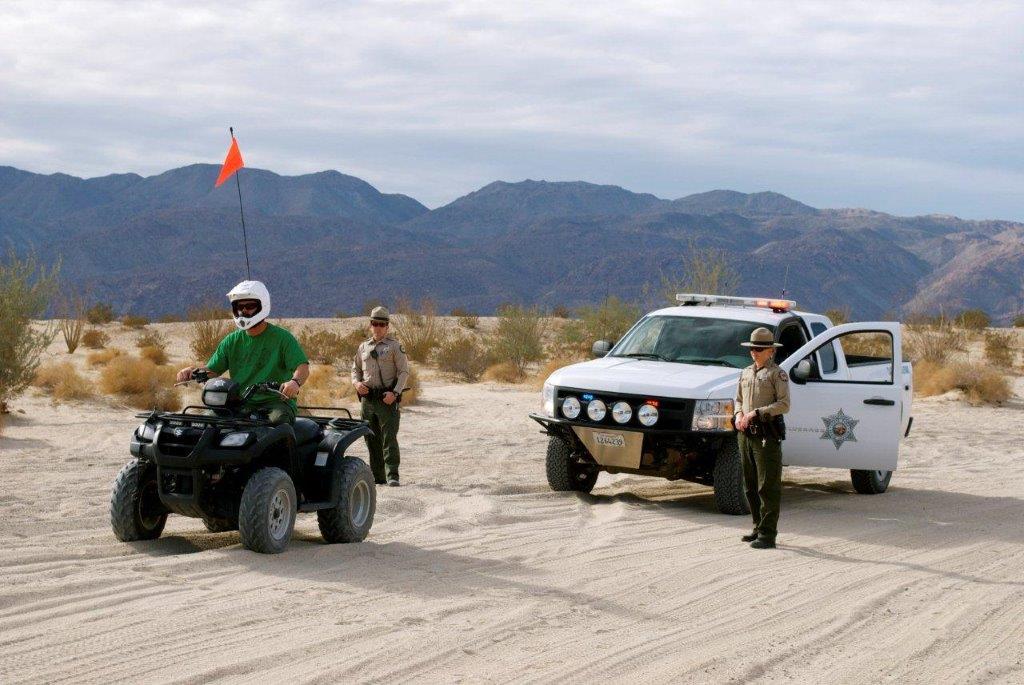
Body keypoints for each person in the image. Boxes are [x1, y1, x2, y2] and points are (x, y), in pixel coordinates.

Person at [176, 280, 309, 425]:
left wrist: (294, 382)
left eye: (250, 306)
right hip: (240, 402)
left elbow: (302, 367)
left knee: (276, 422)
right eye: (239, 307)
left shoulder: (282, 338)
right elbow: (212, 370)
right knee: (207, 422)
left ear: (262, 306)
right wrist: (192, 372)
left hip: (275, 402)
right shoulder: (231, 340)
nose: (244, 311)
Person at [733, 327, 791, 549]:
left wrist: (756, 413)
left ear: (771, 351)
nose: (754, 352)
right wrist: (739, 414)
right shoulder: (746, 372)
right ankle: (757, 527)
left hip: (766, 434)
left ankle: (768, 535)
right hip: (746, 434)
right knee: (750, 485)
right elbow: (739, 399)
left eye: (759, 349)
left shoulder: (777, 374)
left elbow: (784, 404)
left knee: (767, 486)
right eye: (752, 348)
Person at [351, 306, 409, 487]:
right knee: (371, 439)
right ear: (370, 325)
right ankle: (378, 476)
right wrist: (357, 384)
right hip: (368, 400)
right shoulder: (363, 347)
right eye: (374, 324)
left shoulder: (394, 347)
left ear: (387, 326)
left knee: (389, 438)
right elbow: (355, 369)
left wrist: (395, 393)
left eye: (381, 324)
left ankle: (392, 475)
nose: (377, 328)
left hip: (387, 399)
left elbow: (404, 372)